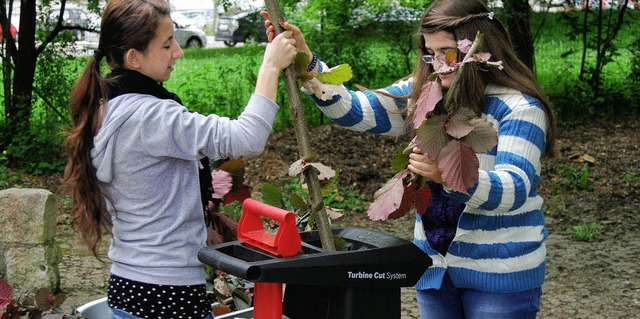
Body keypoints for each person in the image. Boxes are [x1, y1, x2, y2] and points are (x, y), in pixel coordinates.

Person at [262, 0, 556, 317]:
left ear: (479, 47)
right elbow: (355, 110)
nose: (438, 64)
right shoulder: (426, 94)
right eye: (430, 54)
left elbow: (515, 188)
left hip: (500, 275)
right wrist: (307, 61)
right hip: (433, 271)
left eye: (449, 53)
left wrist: (447, 173)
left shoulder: (519, 109)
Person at [62, 0, 296, 318]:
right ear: (134, 57)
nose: (179, 52)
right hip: (168, 293)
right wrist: (270, 66)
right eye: (167, 44)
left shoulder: (105, 109)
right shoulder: (154, 116)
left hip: (125, 287)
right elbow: (246, 137)